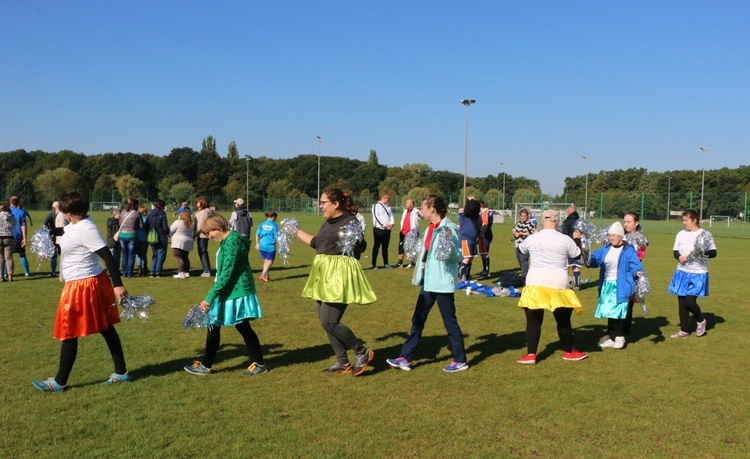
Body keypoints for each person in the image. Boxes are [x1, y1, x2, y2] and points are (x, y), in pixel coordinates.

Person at [32, 191, 130, 392]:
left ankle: (59, 382)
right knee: (105, 327)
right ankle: (121, 372)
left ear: (68, 212)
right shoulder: (78, 223)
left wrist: (118, 284)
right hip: (88, 281)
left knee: (68, 330)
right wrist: (49, 231)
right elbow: (67, 233)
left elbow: (106, 255)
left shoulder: (87, 228)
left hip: (83, 285)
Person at [296, 187, 377, 376]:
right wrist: (296, 230)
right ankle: (342, 362)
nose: (321, 205)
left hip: (339, 275)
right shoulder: (328, 222)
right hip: (324, 273)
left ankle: (362, 352)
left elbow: (361, 247)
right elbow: (317, 243)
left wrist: (355, 238)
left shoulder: (350, 221)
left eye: (324, 202)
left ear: (336, 203)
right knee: (325, 321)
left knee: (330, 321)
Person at [386, 194, 469, 373]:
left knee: (450, 323)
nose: (421, 211)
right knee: (418, 320)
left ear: (432, 209)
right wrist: (412, 244)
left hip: (442, 283)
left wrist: (449, 248)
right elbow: (423, 252)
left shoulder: (449, 229)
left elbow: (458, 256)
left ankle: (460, 360)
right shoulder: (430, 228)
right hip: (428, 281)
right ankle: (406, 358)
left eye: (423, 208)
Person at [184, 213, 267, 376]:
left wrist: (209, 297)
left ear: (219, 227)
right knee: (216, 325)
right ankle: (206, 365)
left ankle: (259, 364)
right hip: (229, 290)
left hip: (235, 291)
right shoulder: (229, 240)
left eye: (210, 232)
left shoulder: (233, 241)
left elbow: (227, 273)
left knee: (240, 326)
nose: (209, 236)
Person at [516, 209, 588, 364]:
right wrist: (576, 238)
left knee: (533, 321)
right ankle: (569, 351)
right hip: (558, 282)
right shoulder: (565, 239)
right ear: (557, 221)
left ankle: (530, 354)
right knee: (563, 320)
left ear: (543, 220)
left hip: (535, 281)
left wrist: (535, 235)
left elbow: (521, 250)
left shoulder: (533, 238)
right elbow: (576, 254)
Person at [588, 222, 643, 350]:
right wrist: (589, 260)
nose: (611, 238)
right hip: (607, 283)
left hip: (621, 284)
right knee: (609, 310)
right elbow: (595, 259)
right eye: (609, 235)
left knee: (618, 311)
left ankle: (620, 337)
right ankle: (612, 337)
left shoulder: (628, 250)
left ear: (620, 236)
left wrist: (637, 271)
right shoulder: (606, 248)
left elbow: (634, 263)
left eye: (613, 235)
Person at [668, 209, 717, 338]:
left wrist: (702, 253)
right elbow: (675, 252)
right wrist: (679, 257)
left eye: (686, 220)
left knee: (690, 302)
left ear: (694, 220)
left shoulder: (705, 234)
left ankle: (701, 320)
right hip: (682, 272)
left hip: (698, 272)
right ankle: (684, 331)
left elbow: (713, 252)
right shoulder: (680, 234)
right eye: (683, 220)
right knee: (682, 302)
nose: (684, 223)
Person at [621, 212, 649, 337]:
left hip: (631, 275)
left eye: (629, 222)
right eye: (624, 221)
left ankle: (625, 331)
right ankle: (614, 330)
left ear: (636, 223)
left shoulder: (640, 240)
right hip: (618, 274)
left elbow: (639, 258)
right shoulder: (621, 236)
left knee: (627, 303)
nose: (625, 224)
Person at [457, 196, 481, 281]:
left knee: (470, 257)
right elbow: (467, 208)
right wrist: (470, 200)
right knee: (466, 258)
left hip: (473, 239)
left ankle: (467, 275)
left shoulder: (475, 216)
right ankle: (462, 277)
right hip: (465, 238)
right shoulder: (463, 214)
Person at [395, 198, 423, 268]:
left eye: (407, 203)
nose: (406, 204)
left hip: (411, 233)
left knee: (411, 247)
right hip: (403, 232)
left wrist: (419, 215)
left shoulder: (416, 211)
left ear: (412, 205)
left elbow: (422, 217)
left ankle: (411, 262)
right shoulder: (405, 211)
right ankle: (400, 262)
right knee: (401, 247)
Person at [370, 192, 394, 269]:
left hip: (387, 230)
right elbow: (376, 217)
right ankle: (374, 264)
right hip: (378, 229)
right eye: (388, 199)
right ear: (384, 198)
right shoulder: (376, 206)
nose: (389, 201)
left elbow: (391, 217)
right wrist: (384, 225)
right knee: (376, 246)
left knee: (385, 247)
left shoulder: (389, 208)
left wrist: (391, 224)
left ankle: (386, 263)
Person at [118, 198, 141, 278]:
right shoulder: (137, 213)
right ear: (136, 205)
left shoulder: (123, 212)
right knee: (131, 255)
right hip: (132, 235)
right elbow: (141, 226)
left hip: (122, 235)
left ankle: (124, 272)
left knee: (124, 255)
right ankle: (130, 273)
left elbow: (120, 223)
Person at [561, 205, 582, 290]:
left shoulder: (566, 222)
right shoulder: (580, 221)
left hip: (568, 247)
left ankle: (564, 284)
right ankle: (577, 285)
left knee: (566, 266)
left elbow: (564, 235)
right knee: (576, 266)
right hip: (578, 246)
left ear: (568, 212)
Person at [9, 196, 31, 277]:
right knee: (22, 254)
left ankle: (6, 273)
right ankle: (27, 272)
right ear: (18, 203)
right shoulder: (21, 212)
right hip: (19, 238)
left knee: (7, 257)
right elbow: (23, 226)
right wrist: (25, 238)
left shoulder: (4, 211)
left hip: (8, 236)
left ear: (10, 202)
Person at [512, 208, 535, 284]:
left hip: (526, 245)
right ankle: (525, 274)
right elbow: (514, 230)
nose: (523, 218)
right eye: (522, 216)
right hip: (518, 244)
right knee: (519, 259)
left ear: (527, 216)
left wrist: (522, 233)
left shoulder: (531, 224)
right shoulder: (518, 223)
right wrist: (515, 233)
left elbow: (532, 233)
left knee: (523, 260)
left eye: (525, 216)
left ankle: (525, 277)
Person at [146, 200, 169, 277]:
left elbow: (146, 226)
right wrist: (167, 232)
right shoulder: (162, 215)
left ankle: (152, 271)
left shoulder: (149, 215)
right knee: (161, 254)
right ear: (163, 207)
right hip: (161, 236)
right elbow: (165, 228)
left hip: (152, 236)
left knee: (155, 254)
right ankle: (158, 271)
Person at [255, 211, 279, 282]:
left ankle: (266, 276)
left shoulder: (262, 224)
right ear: (274, 217)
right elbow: (277, 236)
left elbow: (257, 233)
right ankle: (263, 275)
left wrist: (257, 243)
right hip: (270, 246)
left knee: (266, 260)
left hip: (262, 245)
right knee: (270, 261)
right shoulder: (274, 225)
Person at [193, 197, 213, 277]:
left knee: (203, 252)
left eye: (198, 202)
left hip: (202, 235)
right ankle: (206, 269)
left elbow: (200, 225)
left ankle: (206, 271)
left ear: (201, 203)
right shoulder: (205, 211)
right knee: (203, 252)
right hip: (204, 234)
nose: (196, 204)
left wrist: (194, 234)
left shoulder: (204, 212)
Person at [170, 210, 194, 279]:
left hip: (178, 241)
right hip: (188, 241)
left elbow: (171, 230)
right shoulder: (192, 223)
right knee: (185, 257)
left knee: (178, 257)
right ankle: (186, 272)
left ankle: (181, 272)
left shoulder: (178, 222)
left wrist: (171, 236)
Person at [42, 201, 61, 277]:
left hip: (53, 237)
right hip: (63, 237)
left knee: (53, 255)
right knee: (63, 255)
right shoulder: (64, 215)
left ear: (54, 208)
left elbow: (44, 225)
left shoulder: (50, 215)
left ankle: (53, 272)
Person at [476, 200, 494, 278]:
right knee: (483, 252)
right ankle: (485, 270)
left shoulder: (485, 213)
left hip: (485, 235)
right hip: (487, 233)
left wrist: (480, 235)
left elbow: (485, 225)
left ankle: (486, 271)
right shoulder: (489, 211)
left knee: (484, 253)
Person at [0, 205, 16, 282]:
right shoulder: (12, 217)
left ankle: (1, 276)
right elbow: (14, 225)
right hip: (9, 237)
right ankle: (10, 276)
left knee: (1, 259)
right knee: (8, 258)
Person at [135, 205, 150, 277]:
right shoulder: (146, 219)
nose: (146, 212)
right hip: (144, 238)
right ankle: (145, 270)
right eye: (145, 211)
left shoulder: (137, 219)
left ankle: (139, 270)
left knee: (138, 255)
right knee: (144, 254)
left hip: (137, 238)